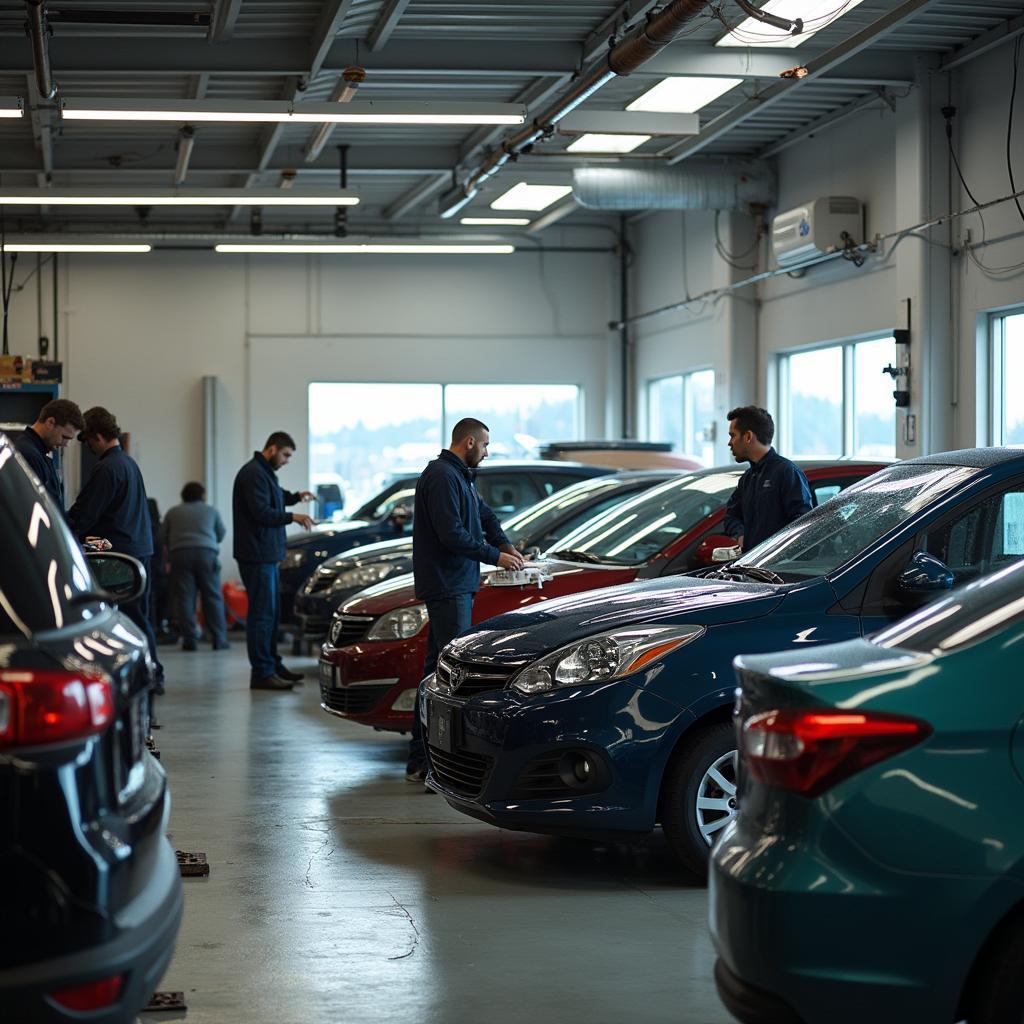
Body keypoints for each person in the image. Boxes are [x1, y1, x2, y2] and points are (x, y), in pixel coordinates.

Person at [406, 417, 525, 782]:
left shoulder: (460, 476)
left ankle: (420, 759)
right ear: (470, 442)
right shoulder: (442, 476)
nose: (487, 453)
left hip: (457, 585)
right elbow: (451, 534)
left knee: (434, 673)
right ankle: (435, 763)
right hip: (447, 586)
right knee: (451, 677)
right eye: (485, 445)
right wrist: (494, 556)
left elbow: (483, 514)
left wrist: (504, 542)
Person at [67, 406, 164, 688]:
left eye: (89, 442)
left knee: (124, 618)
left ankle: (149, 675)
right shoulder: (127, 464)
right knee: (139, 617)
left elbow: (85, 514)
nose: (90, 448)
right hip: (137, 551)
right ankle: (152, 672)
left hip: (118, 556)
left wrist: (60, 530)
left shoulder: (107, 468)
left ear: (97, 436)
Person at [232, 432, 315, 691]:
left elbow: (275, 496)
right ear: (272, 449)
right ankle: (262, 672)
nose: (287, 460)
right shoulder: (253, 474)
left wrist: (295, 496)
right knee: (261, 616)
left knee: (271, 613)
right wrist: (294, 517)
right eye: (286, 455)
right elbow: (261, 511)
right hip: (257, 556)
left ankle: (272, 665)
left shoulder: (262, 472)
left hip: (266, 554)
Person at [723, 405, 813, 552]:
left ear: (748, 437)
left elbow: (802, 525)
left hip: (779, 571)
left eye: (732, 435)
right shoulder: (747, 479)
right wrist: (740, 534)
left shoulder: (787, 472)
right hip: (751, 568)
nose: (729, 443)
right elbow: (731, 516)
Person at [160, 481, 229, 652]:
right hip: (207, 554)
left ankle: (190, 639)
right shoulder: (211, 511)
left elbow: (161, 537)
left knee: (185, 598)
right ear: (202, 495)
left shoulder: (173, 512)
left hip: (180, 555)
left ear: (184, 495)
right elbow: (221, 534)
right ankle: (219, 639)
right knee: (212, 597)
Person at [12, 398, 85, 511]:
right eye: (64, 437)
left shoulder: (38, 452)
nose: (65, 444)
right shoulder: (28, 454)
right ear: (50, 423)